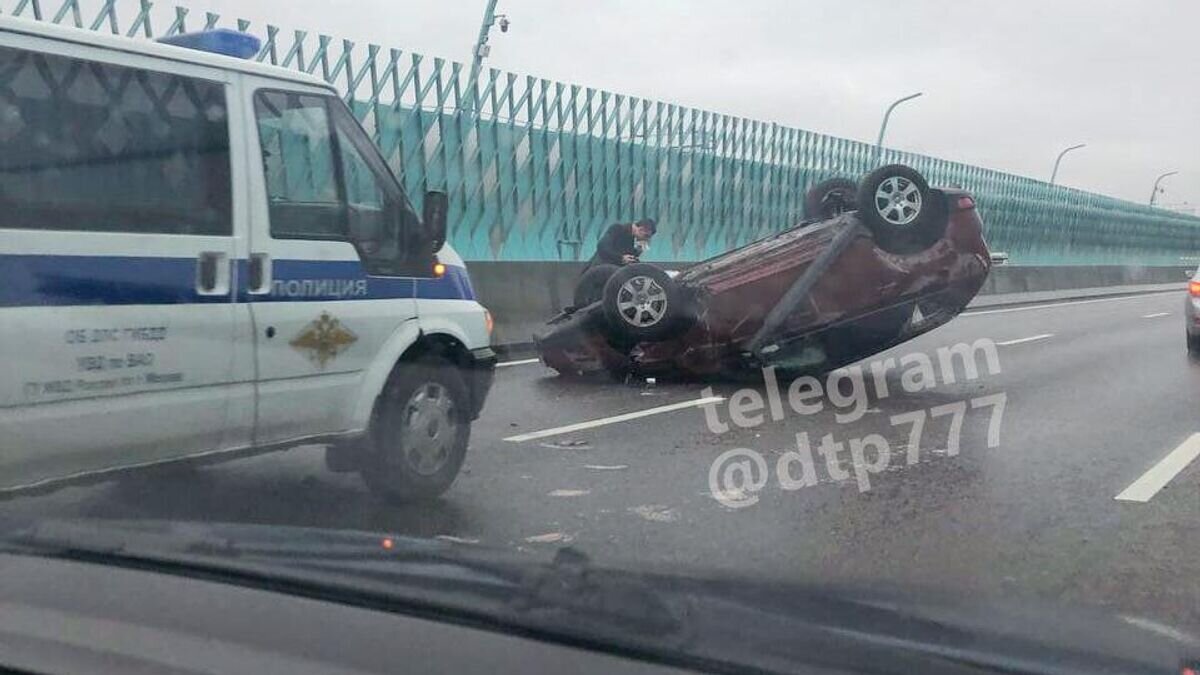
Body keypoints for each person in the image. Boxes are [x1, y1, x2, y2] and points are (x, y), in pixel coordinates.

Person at [583, 218, 656, 274]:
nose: (646, 239)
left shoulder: (631, 238)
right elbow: (602, 246)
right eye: (646, 236)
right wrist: (620, 258)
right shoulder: (617, 228)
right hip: (597, 271)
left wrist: (638, 252)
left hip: (610, 272)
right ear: (641, 229)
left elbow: (626, 257)